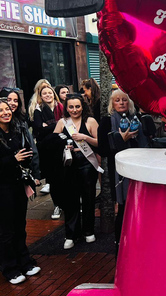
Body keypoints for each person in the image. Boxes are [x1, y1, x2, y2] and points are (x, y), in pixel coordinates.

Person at [97, 89, 148, 252]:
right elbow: (103, 150)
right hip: (118, 172)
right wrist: (120, 139)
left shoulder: (136, 119)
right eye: (117, 100)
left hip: (138, 169)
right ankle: (121, 243)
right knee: (123, 207)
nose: (121, 103)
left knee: (139, 205)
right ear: (112, 104)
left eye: (124, 100)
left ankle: (140, 239)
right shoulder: (106, 122)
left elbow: (144, 146)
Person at [0, 99, 41, 285]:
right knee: (6, 230)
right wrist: (13, 158)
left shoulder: (17, 130)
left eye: (6, 109)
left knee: (19, 226)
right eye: (0, 110)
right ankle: (10, 268)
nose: (5, 113)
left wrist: (26, 160)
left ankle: (25, 262)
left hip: (18, 184)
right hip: (2, 188)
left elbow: (23, 156)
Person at [52, 94, 100, 249]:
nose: (74, 110)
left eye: (77, 106)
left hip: (87, 164)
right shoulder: (62, 122)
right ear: (66, 108)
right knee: (70, 200)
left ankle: (88, 231)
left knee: (88, 198)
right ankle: (71, 234)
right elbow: (52, 143)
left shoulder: (90, 121)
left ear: (82, 106)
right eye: (71, 107)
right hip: (69, 165)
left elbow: (99, 142)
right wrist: (63, 146)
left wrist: (84, 137)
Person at [32, 85, 64, 219]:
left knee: (66, 178)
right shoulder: (38, 109)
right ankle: (57, 205)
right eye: (44, 93)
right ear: (40, 96)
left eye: (49, 93)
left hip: (63, 148)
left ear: (53, 94)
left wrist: (49, 126)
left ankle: (69, 203)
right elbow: (39, 129)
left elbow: (67, 125)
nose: (47, 95)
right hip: (47, 151)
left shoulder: (61, 107)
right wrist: (57, 125)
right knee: (53, 180)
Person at [0, 88, 41, 188]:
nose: (12, 103)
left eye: (15, 100)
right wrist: (13, 159)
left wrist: (35, 174)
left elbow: (31, 149)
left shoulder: (20, 125)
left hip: (20, 179)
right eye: (9, 100)